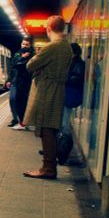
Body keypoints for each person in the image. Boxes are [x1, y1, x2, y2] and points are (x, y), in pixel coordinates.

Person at [22, 16, 73, 179]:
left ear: (50, 27)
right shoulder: (66, 46)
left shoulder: (52, 46)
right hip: (57, 90)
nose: (45, 29)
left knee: (46, 129)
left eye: (46, 27)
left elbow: (30, 65)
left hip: (47, 91)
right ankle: (48, 166)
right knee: (50, 127)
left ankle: (48, 168)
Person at [7, 35, 33, 129]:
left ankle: (23, 121)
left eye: (26, 44)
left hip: (24, 82)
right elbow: (13, 66)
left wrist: (22, 58)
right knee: (12, 100)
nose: (24, 46)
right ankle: (15, 119)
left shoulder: (31, 55)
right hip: (15, 81)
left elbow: (20, 66)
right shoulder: (17, 54)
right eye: (23, 44)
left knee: (22, 102)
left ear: (30, 46)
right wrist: (9, 80)